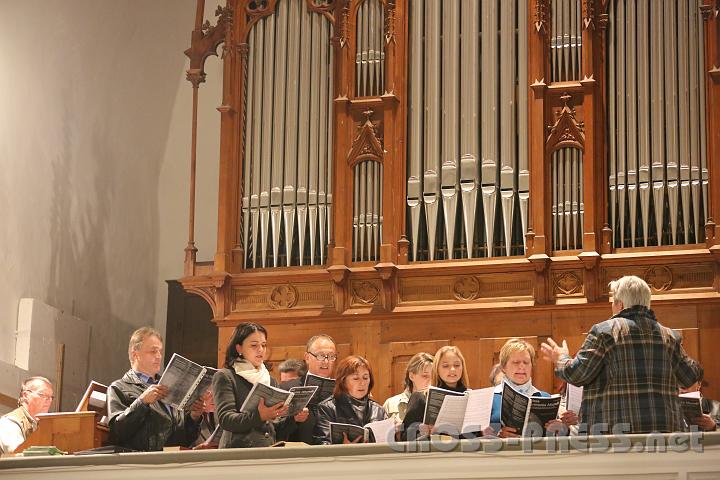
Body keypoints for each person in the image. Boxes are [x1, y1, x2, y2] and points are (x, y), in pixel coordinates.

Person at [541, 275, 704, 434]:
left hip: (613, 434)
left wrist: (561, 358)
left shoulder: (604, 332)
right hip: (663, 432)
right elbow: (690, 376)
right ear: (647, 303)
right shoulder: (669, 337)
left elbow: (577, 374)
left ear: (619, 304)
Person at [212, 322, 308, 448]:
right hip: (236, 454)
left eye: (263, 345)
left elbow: (274, 427)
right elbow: (226, 419)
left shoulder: (270, 379)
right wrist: (259, 416)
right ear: (239, 348)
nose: (260, 350)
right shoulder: (226, 376)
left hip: (267, 452)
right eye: (254, 345)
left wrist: (294, 419)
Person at [107, 327, 204, 451]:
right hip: (143, 462)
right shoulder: (119, 387)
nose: (159, 356)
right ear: (135, 354)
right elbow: (118, 431)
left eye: (160, 351)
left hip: (173, 460)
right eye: (153, 351)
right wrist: (142, 402)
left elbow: (186, 438)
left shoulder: (170, 387)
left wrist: (193, 418)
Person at [489, 338, 574, 437]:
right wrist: (497, 435)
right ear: (503, 367)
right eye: (516, 362)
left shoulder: (545, 397)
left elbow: (559, 437)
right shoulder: (490, 397)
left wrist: (561, 428)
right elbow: (474, 436)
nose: (522, 367)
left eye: (526, 362)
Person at [279, 334, 338, 444]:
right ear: (307, 357)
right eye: (320, 356)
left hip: (333, 455)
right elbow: (275, 430)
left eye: (331, 356)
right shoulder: (286, 388)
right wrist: (294, 419)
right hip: (299, 456)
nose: (326, 361)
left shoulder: (342, 390)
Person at [401, 346, 470, 439]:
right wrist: (421, 430)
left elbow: (475, 435)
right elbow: (405, 437)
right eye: (446, 366)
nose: (453, 369)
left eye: (457, 365)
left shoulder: (471, 397)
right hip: (433, 451)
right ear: (437, 369)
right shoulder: (421, 397)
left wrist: (482, 431)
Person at [313, 355, 385, 444]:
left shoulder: (378, 410)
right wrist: (343, 449)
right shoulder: (327, 408)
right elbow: (321, 444)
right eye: (355, 378)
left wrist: (395, 435)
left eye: (365, 378)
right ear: (343, 381)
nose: (362, 383)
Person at [0, 376, 54, 455]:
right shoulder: (9, 423)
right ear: (26, 395)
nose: (49, 401)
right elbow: (18, 456)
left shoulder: (45, 424)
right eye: (42, 395)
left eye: (51, 397)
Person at [383, 352, 433, 423]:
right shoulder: (391, 404)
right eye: (425, 376)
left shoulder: (438, 404)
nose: (430, 381)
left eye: (434, 377)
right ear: (411, 376)